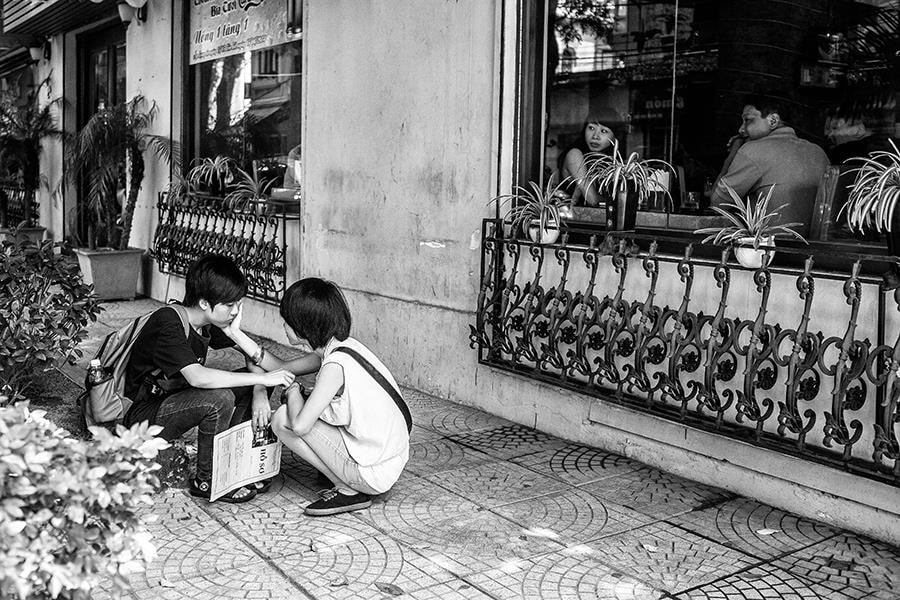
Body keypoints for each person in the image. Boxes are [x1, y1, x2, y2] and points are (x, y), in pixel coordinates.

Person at [226, 277, 410, 516]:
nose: (284, 326)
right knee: (300, 408)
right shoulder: (342, 347)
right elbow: (281, 366)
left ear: (303, 326)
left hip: (374, 473)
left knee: (283, 418)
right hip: (390, 458)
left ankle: (348, 489)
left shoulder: (334, 366)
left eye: (287, 321)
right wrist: (235, 334)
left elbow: (301, 425)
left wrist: (292, 391)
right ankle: (345, 479)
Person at [123, 254, 297, 503]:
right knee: (218, 398)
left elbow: (254, 360)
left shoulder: (210, 323)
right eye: (229, 305)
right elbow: (199, 378)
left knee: (251, 379)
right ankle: (209, 479)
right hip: (143, 415)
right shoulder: (168, 321)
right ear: (205, 302)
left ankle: (238, 464)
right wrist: (266, 379)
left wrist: (260, 390)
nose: (235, 311)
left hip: (175, 401)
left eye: (238, 303)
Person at [712, 95, 829, 237]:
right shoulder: (818, 152)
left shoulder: (753, 150)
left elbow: (718, 203)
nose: (741, 129)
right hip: (812, 248)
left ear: (773, 120)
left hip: (766, 248)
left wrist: (732, 155)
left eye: (748, 120)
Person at [557, 119, 617, 207]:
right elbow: (592, 199)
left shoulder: (611, 161)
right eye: (591, 128)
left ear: (614, 137)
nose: (595, 136)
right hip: (572, 218)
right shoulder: (574, 154)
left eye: (603, 131)